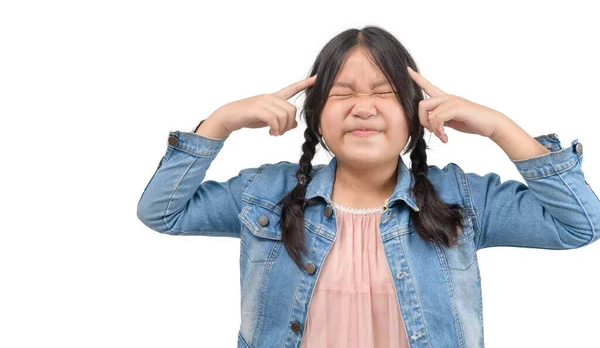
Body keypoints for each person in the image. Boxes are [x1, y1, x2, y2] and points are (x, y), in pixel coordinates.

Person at [137, 26, 600, 348]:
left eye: (384, 92)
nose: (363, 108)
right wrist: (220, 122)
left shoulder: (462, 198)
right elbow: (161, 212)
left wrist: (500, 127)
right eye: (342, 93)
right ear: (316, 116)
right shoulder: (266, 191)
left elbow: (581, 224)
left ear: (418, 113)